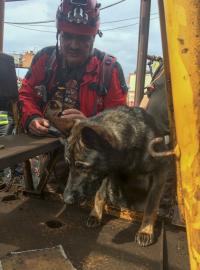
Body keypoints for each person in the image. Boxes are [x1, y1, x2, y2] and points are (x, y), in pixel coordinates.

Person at [19, 0, 128, 136]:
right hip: (40, 150)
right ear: (59, 34)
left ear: (93, 38)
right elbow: (25, 95)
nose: (74, 45)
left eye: (83, 38)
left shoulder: (110, 70)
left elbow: (121, 126)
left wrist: (88, 126)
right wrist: (32, 118)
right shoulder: (44, 59)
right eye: (68, 36)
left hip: (87, 154)